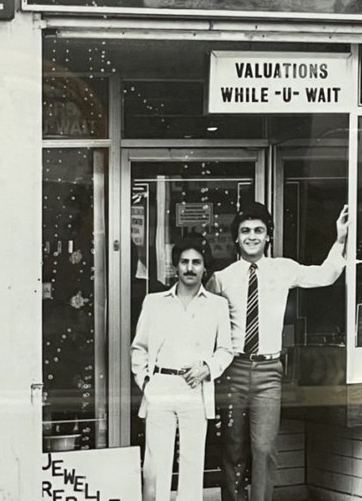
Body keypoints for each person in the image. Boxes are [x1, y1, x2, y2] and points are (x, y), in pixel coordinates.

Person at [209, 202, 349, 501]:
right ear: (236, 237)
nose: (251, 236)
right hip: (233, 370)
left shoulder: (283, 269)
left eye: (258, 230)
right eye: (245, 231)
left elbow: (325, 275)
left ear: (268, 236)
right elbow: (205, 325)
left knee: (264, 448)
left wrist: (339, 240)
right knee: (233, 447)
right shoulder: (222, 278)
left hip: (269, 372)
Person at [130, 235, 233, 501]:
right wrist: (146, 382)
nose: (190, 267)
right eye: (184, 262)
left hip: (195, 389)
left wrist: (208, 367)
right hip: (161, 387)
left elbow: (225, 350)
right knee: (155, 465)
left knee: (192, 462)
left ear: (204, 267)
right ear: (176, 266)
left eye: (196, 262)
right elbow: (139, 347)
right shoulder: (154, 302)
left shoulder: (217, 305)